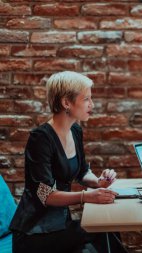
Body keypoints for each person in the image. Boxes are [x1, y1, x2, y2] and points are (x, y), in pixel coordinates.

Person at [10, 71, 123, 253]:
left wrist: (98, 182)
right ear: (66, 103)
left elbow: (82, 171)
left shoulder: (75, 131)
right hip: (36, 231)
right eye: (86, 99)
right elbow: (45, 195)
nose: (91, 105)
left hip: (61, 223)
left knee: (109, 228)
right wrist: (86, 196)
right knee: (104, 230)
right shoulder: (40, 139)